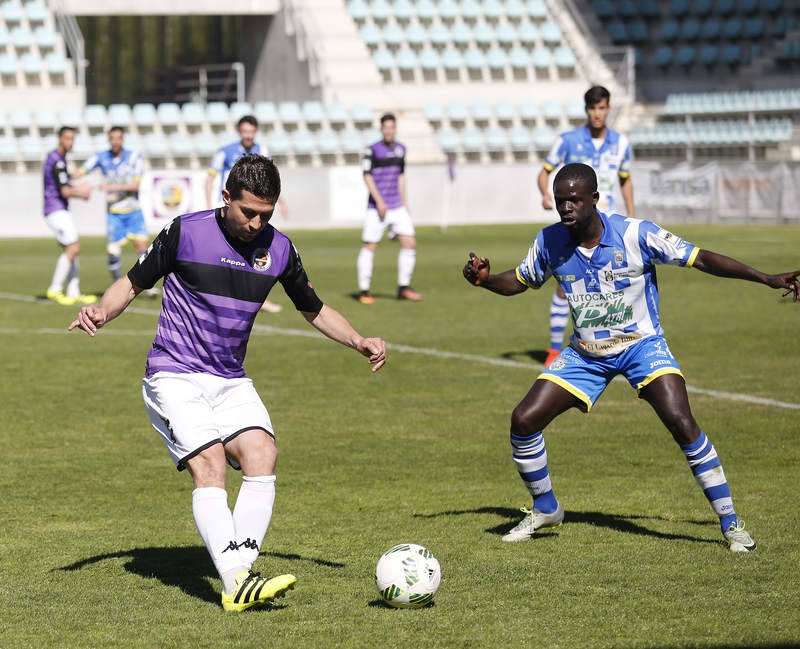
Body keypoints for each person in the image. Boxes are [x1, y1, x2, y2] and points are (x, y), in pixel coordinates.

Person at [69, 155, 387, 610]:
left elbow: (313, 307)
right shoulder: (186, 231)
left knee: (263, 453)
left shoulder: (279, 248)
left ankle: (238, 575)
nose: (257, 222)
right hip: (174, 373)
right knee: (211, 464)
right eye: (248, 212)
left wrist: (358, 339)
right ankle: (238, 580)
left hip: (230, 379)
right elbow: (133, 282)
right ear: (226, 198)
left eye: (266, 214)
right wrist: (102, 310)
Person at [463, 163, 799, 552]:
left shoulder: (637, 233)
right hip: (587, 354)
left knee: (681, 421)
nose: (566, 208)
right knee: (523, 421)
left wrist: (767, 278)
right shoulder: (549, 241)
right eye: (560, 201)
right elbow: (519, 281)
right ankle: (547, 508)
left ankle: (731, 523)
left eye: (574, 200)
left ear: (594, 199)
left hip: (642, 345)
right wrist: (485, 280)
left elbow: (701, 258)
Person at [538, 86, 634, 368]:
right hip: (576, 227)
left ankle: (612, 348)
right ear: (586, 110)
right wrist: (544, 193)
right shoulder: (567, 140)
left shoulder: (621, 143)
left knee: (614, 287)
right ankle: (554, 351)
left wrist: (632, 215)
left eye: (602, 108)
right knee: (566, 287)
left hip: (609, 227)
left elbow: (626, 179)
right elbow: (543, 172)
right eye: (592, 108)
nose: (597, 113)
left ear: (608, 109)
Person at [206, 114, 288, 313]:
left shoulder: (263, 151)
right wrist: (210, 203)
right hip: (231, 209)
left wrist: (281, 202)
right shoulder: (225, 152)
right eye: (244, 131)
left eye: (251, 131)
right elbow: (210, 178)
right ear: (240, 132)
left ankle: (259, 298)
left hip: (254, 208)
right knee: (225, 249)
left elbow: (270, 182)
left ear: (255, 132)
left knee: (254, 248)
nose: (248, 135)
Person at [72, 126, 156, 293]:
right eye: (112, 138)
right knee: (112, 252)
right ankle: (119, 286)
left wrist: (110, 186)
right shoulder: (100, 157)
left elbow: (135, 185)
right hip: (114, 214)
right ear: (109, 140)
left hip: (133, 211)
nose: (115, 141)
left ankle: (147, 286)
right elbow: (79, 172)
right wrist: (69, 179)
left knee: (142, 248)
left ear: (122, 139)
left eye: (118, 138)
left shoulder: (133, 157)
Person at [356, 113, 421, 304]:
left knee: (410, 243)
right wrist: (379, 201)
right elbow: (367, 176)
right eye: (386, 127)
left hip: (397, 206)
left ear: (395, 129)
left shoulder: (401, 150)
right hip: (376, 207)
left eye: (392, 127)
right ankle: (364, 291)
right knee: (370, 246)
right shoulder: (372, 150)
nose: (389, 131)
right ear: (381, 129)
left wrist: (405, 201)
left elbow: (401, 176)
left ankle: (403, 288)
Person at [43, 126, 96, 306]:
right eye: (67, 138)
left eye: (72, 138)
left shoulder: (59, 159)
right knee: (73, 248)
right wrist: (82, 193)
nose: (70, 142)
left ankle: (73, 292)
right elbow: (65, 191)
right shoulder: (57, 161)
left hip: (59, 210)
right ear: (59, 139)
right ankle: (55, 289)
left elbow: (65, 184)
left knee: (73, 250)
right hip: (55, 209)